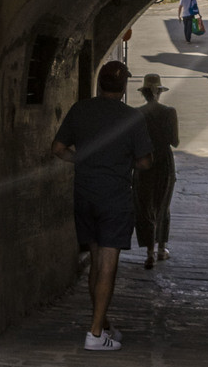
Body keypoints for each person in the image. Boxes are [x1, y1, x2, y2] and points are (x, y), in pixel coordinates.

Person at [52, 59, 157, 351]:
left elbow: (58, 149)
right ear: (124, 89)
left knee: (96, 262)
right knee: (108, 265)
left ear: (99, 84)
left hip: (84, 195)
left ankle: (103, 321)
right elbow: (146, 160)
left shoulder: (80, 110)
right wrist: (126, 162)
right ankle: (95, 334)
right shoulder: (132, 117)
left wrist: (83, 160)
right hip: (115, 198)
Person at [134, 73, 179, 266]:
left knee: (144, 205)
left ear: (144, 93)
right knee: (163, 203)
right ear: (159, 92)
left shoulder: (136, 114)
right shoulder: (169, 112)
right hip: (164, 162)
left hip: (143, 162)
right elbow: (174, 141)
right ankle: (161, 249)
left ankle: (149, 252)